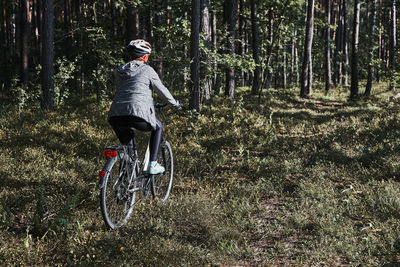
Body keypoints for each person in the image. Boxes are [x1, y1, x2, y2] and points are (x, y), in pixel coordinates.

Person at [108, 39, 181, 175]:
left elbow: (124, 91)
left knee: (128, 150)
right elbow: (162, 90)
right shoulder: (147, 70)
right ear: (145, 56)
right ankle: (152, 164)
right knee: (158, 126)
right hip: (137, 114)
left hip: (115, 115)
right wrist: (175, 104)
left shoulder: (119, 70)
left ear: (130, 56)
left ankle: (125, 186)